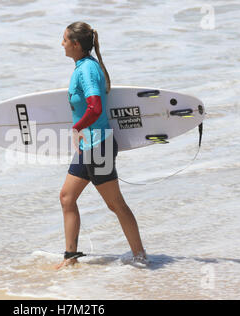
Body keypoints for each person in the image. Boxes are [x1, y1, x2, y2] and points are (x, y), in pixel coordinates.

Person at [56, 22, 148, 270]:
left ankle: (140, 256)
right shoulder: (83, 67)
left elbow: (95, 107)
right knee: (67, 197)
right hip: (90, 146)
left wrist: (76, 127)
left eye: (64, 39)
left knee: (115, 203)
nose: (61, 43)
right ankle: (70, 257)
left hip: (99, 147)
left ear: (76, 44)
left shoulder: (87, 70)